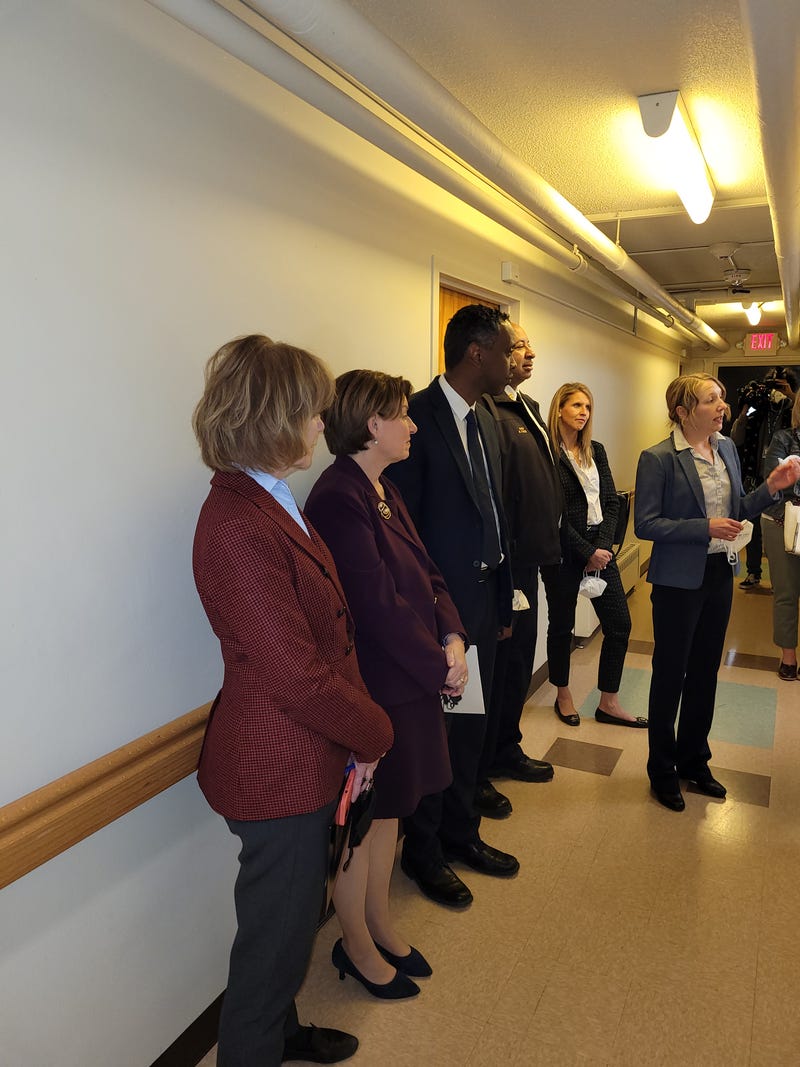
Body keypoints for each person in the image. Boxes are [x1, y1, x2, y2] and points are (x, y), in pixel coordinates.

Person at [191, 335, 393, 1065]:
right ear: (275, 414)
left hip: (306, 752)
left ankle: (279, 1031)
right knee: (272, 943)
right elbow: (297, 674)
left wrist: (357, 735)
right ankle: (254, 1043)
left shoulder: (270, 500)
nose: (320, 422)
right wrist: (375, 731)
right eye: (311, 409)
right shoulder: (239, 523)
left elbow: (328, 635)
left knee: (289, 926)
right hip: (275, 769)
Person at [305, 369, 468, 996]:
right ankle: (355, 946)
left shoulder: (383, 488)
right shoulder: (338, 497)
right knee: (364, 826)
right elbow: (375, 608)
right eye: (403, 413)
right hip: (379, 687)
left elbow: (428, 574)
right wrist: (439, 662)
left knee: (394, 810)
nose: (413, 423)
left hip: (414, 681)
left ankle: (380, 923)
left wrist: (452, 637)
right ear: (373, 425)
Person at [387, 303, 518, 908]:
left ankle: (464, 834)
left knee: (472, 730)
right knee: (438, 737)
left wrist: (506, 595)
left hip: (486, 604)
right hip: (442, 616)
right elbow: (404, 533)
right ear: (477, 353)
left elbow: (495, 512)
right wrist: (434, 622)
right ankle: (425, 852)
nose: (514, 359)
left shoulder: (489, 416)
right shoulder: (415, 419)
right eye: (507, 348)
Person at [634, 373, 800, 812]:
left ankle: (694, 760)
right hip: (676, 581)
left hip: (719, 572)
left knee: (706, 671)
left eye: (722, 399)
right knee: (671, 674)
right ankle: (662, 769)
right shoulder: (658, 458)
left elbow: (739, 508)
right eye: (712, 400)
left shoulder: (724, 447)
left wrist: (773, 488)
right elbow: (645, 524)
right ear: (683, 412)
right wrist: (702, 527)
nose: (723, 405)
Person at [477, 322, 559, 814]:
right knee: (493, 670)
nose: (530, 353)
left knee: (517, 665)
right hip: (501, 569)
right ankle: (481, 764)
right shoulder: (489, 413)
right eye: (519, 346)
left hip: (528, 565)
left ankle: (506, 747)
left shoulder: (525, 407)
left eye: (529, 344)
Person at [545, 383, 641, 728]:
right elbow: (552, 515)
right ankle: (563, 694)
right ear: (559, 410)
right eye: (576, 406)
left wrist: (603, 548)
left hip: (600, 547)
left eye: (587, 406)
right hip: (562, 551)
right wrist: (586, 551)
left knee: (619, 625)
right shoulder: (548, 455)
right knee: (561, 627)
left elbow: (612, 501)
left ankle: (608, 703)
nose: (583, 412)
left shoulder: (595, 451)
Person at [730, 368, 797, 587]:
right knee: (752, 524)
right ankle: (753, 571)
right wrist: (744, 412)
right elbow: (736, 437)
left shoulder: (791, 412)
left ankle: (786, 576)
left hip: (787, 483)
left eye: (781, 386)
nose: (776, 391)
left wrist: (791, 397)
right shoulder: (757, 411)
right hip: (756, 476)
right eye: (773, 386)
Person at [761, 390, 800, 679]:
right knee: (785, 592)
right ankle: (788, 656)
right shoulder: (784, 437)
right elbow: (776, 478)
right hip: (781, 521)